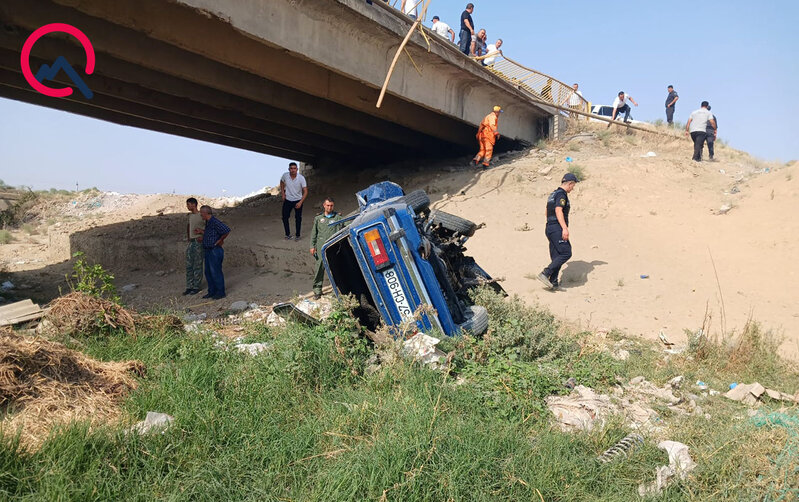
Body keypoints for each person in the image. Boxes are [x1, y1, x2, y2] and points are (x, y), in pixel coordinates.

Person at [536, 173, 579, 290]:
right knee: (566, 253)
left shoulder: (553, 194)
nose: (573, 188)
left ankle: (553, 282)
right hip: (556, 227)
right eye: (573, 185)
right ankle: (545, 273)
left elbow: (546, 211)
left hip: (549, 227)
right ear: (570, 183)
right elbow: (558, 210)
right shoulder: (561, 194)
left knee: (557, 256)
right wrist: (564, 228)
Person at [309, 197, 343, 299]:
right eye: (328, 205)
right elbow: (314, 233)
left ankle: (338, 290)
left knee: (335, 268)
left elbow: (346, 224)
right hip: (320, 247)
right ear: (324, 205)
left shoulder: (337, 217)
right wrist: (312, 246)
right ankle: (317, 290)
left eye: (331, 205)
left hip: (333, 247)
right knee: (319, 268)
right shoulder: (319, 219)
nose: (329, 207)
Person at [198, 205, 230, 300]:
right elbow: (211, 233)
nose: (201, 215)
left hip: (214, 250)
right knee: (208, 272)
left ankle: (220, 292)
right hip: (208, 250)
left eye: (201, 213)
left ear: (205, 213)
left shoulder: (214, 221)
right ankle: (212, 291)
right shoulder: (208, 222)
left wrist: (220, 240)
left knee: (215, 272)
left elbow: (226, 230)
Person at [280, 162, 308, 241]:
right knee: (285, 217)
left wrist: (300, 202)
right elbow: (281, 182)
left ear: (297, 169)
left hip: (298, 200)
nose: (293, 170)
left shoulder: (301, 178)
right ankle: (287, 234)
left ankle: (298, 235)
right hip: (288, 200)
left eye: (294, 168)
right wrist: (283, 193)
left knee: (298, 218)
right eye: (291, 168)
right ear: (289, 169)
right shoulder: (285, 175)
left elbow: (305, 191)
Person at [183, 197, 204, 295]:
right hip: (192, 242)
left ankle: (196, 286)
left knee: (197, 264)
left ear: (193, 204)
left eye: (188, 204)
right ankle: (189, 286)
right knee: (189, 265)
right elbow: (188, 226)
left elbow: (208, 227)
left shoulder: (201, 215)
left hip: (199, 242)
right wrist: (189, 237)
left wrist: (202, 235)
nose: (187, 206)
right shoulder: (190, 216)